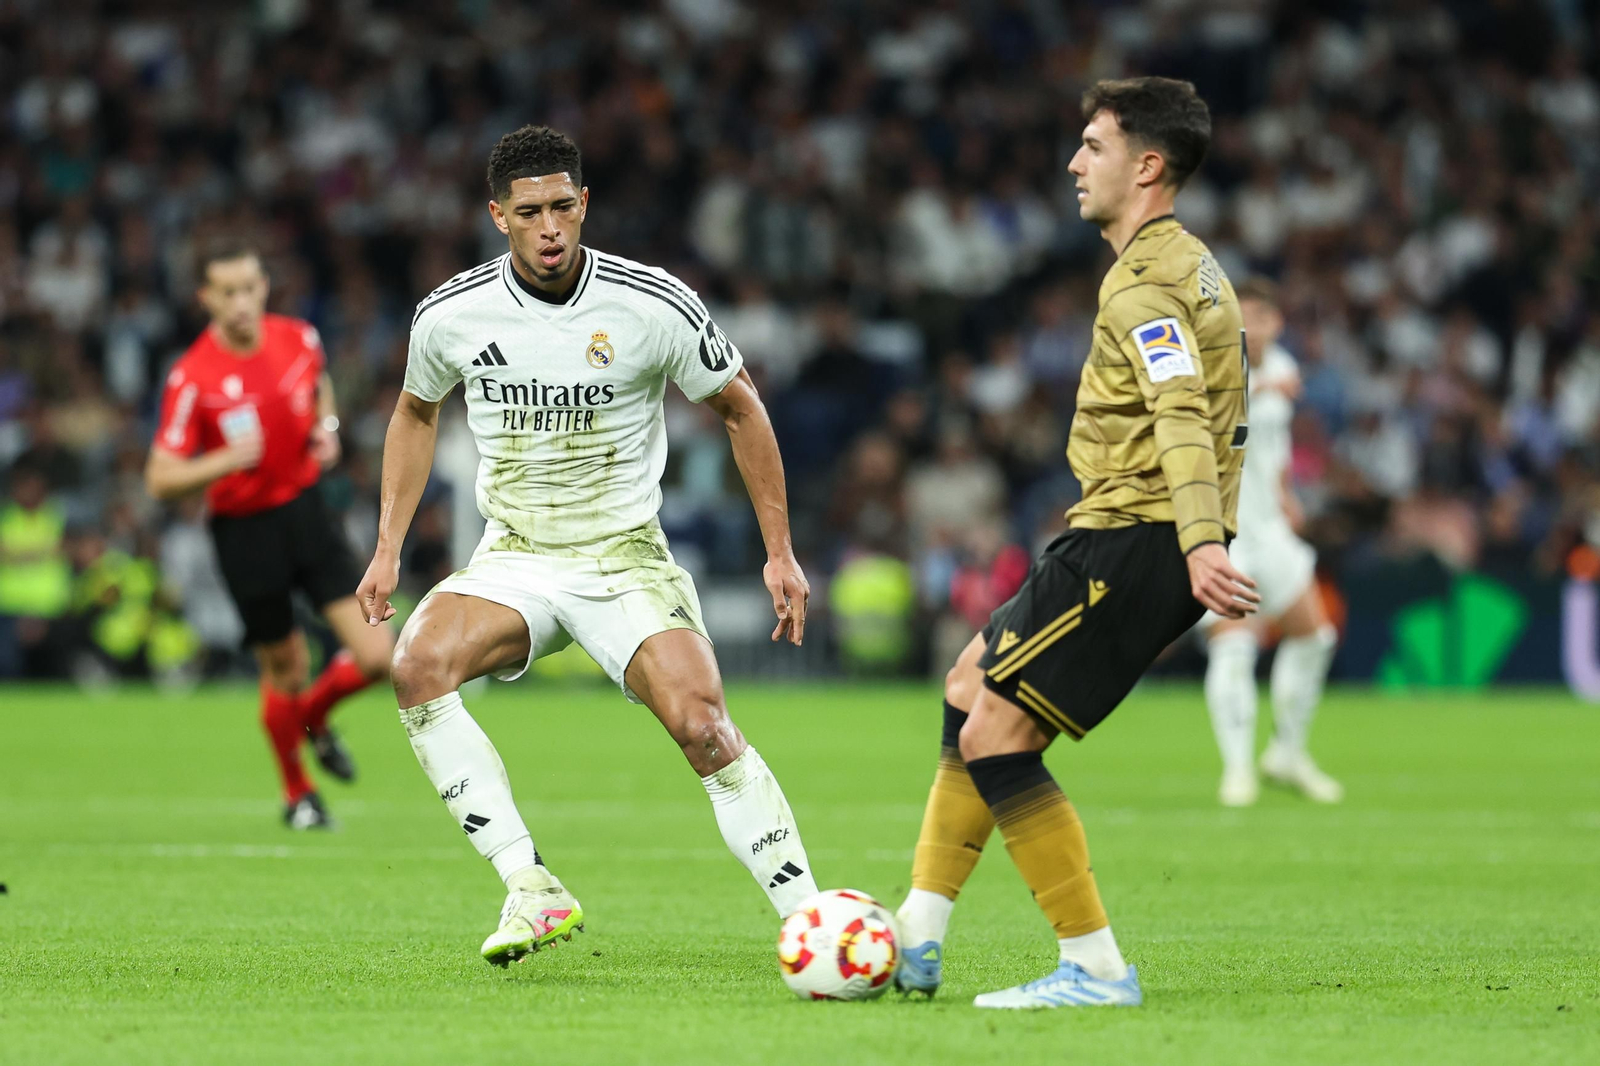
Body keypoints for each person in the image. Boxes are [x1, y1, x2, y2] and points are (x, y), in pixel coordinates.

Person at [356, 125, 819, 967]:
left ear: (584, 205)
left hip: (622, 557)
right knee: (416, 664)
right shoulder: (451, 315)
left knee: (704, 726)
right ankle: (530, 887)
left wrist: (778, 551)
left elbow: (742, 406)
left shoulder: (651, 303)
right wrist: (387, 545)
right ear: (497, 214)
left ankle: (809, 918)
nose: (549, 228)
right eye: (528, 211)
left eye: (563, 207)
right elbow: (415, 413)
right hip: (517, 553)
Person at [891, 77, 1259, 1009]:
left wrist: (1201, 541)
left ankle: (1094, 965)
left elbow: (1178, 408)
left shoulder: (1145, 285)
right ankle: (916, 936)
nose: (1073, 163)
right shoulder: (1191, 262)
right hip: (1122, 532)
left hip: (1137, 541)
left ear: (1147, 164)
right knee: (967, 687)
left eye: (1092, 145)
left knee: (996, 736)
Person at [146, 242, 393, 829]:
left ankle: (310, 719)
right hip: (244, 532)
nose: (240, 303)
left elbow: (320, 387)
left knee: (378, 656)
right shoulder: (192, 376)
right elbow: (160, 478)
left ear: (263, 288)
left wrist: (327, 428)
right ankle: (297, 793)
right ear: (206, 299)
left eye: (249, 288)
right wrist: (224, 460)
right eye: (226, 292)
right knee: (287, 663)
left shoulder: (299, 338)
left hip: (306, 514)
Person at [1202, 279, 1342, 806]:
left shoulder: (1281, 366)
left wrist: (1285, 493)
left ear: (1276, 322)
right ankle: (1237, 770)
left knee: (1315, 636)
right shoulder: (1215, 363)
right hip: (1224, 530)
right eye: (1243, 316)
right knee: (1235, 646)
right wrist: (1258, 391)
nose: (1252, 327)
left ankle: (1287, 751)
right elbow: (1210, 427)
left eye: (1261, 316)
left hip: (1270, 526)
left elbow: (1273, 444)